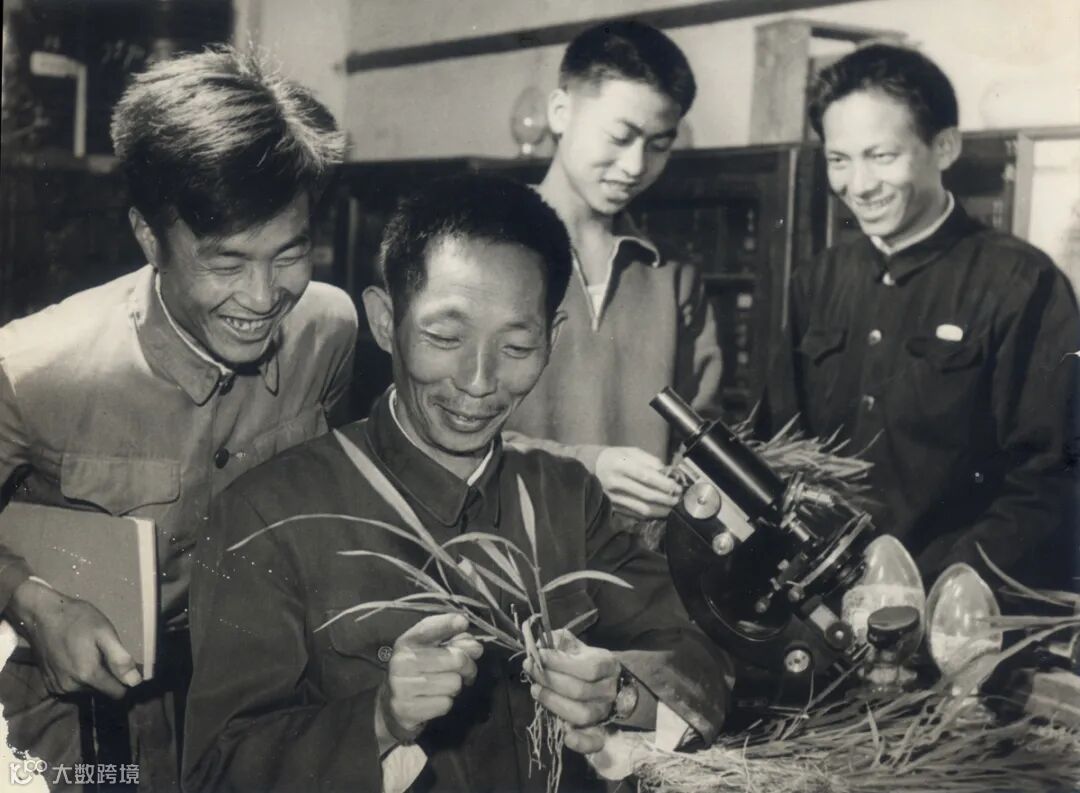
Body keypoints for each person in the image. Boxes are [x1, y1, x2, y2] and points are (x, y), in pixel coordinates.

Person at [182, 175, 732, 793]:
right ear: (385, 320)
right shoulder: (266, 516)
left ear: (551, 339)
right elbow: (215, 772)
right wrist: (380, 721)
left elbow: (700, 656)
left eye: (516, 347)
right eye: (444, 338)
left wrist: (622, 692)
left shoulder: (564, 496)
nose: (478, 381)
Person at [0, 47, 356, 790]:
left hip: (259, 697)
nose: (262, 297)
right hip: (81, 715)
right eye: (226, 263)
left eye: (289, 254)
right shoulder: (30, 368)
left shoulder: (330, 330)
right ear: (148, 236)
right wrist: (33, 605)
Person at [757, 44, 1079, 587]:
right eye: (839, 160)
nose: (858, 185)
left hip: (958, 600)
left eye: (881, 156)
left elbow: (1049, 481)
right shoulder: (817, 281)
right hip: (820, 595)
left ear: (945, 147)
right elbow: (777, 447)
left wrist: (929, 585)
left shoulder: (1023, 284)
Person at [503, 21, 722, 531]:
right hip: (502, 558)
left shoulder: (672, 278)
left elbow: (704, 439)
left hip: (640, 565)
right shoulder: (484, 250)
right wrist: (584, 469)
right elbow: (432, 431)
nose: (636, 165)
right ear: (561, 112)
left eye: (659, 144)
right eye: (620, 137)